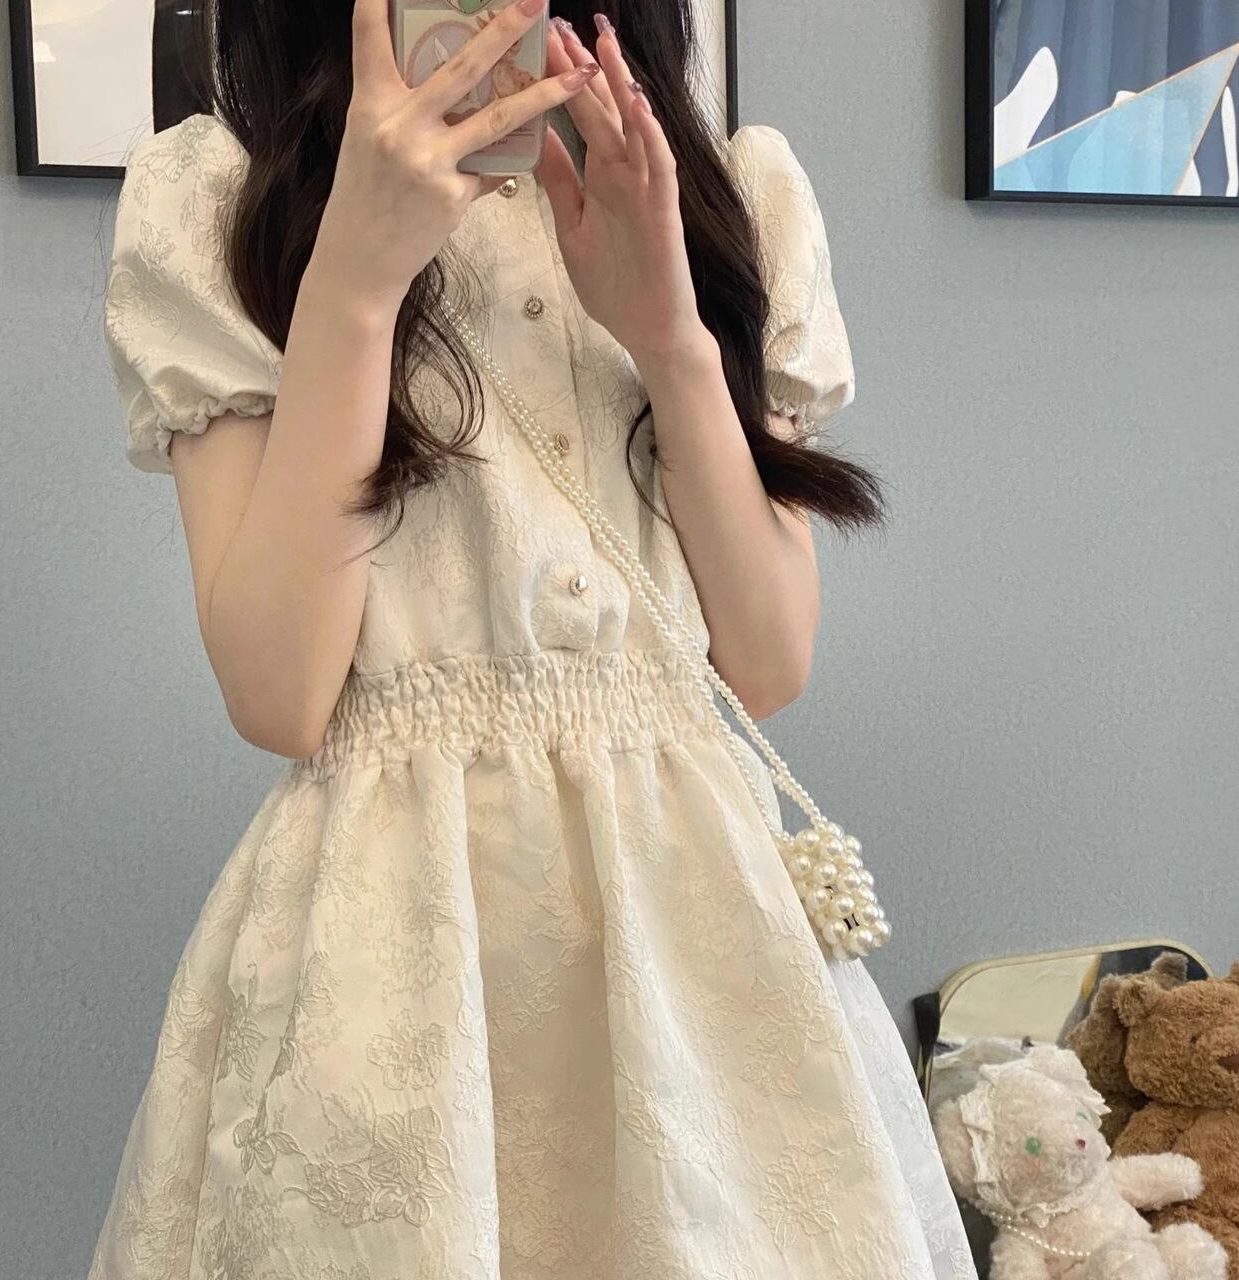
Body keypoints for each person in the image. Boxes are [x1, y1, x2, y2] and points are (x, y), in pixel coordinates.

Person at [90, 1, 977, 1276]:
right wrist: (353, 284)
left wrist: (667, 333)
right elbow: (281, 694)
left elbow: (767, 662)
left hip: (696, 942)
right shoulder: (223, 203)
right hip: (390, 948)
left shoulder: (726, 198)